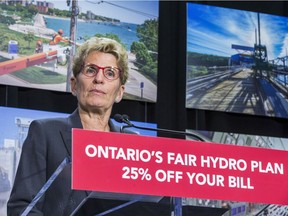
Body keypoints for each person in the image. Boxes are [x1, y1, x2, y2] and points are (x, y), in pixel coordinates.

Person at [7, 37, 130, 215]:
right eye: (91, 70)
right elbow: (21, 208)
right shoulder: (45, 133)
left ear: (119, 92)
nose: (99, 79)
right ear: (73, 85)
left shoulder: (131, 144)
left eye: (110, 73)